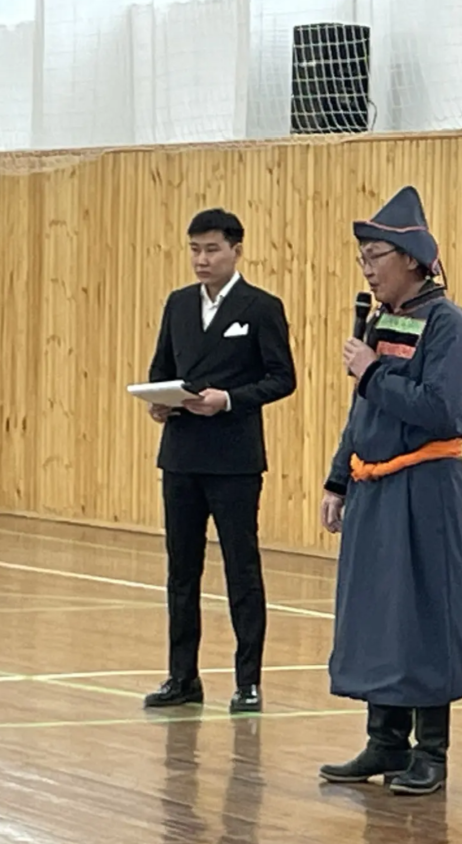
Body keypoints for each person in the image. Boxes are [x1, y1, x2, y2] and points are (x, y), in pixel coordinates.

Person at [316, 185, 462, 796]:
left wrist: (371, 371)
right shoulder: (383, 321)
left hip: (425, 488)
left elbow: (440, 410)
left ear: (413, 260)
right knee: (378, 617)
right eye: (362, 258)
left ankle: (431, 752)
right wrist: (339, 477)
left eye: (376, 257)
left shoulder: (450, 326)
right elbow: (361, 411)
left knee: (425, 615)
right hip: (376, 489)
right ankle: (385, 740)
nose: (366, 269)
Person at [143, 208, 297, 714]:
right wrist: (159, 403)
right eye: (195, 249)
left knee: (241, 570)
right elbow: (162, 369)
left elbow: (282, 378)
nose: (201, 259)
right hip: (181, 456)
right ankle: (182, 677)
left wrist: (228, 399)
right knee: (181, 571)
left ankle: (248, 681)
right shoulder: (178, 304)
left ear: (236, 250)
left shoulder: (261, 307)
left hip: (234, 460)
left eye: (211, 249)